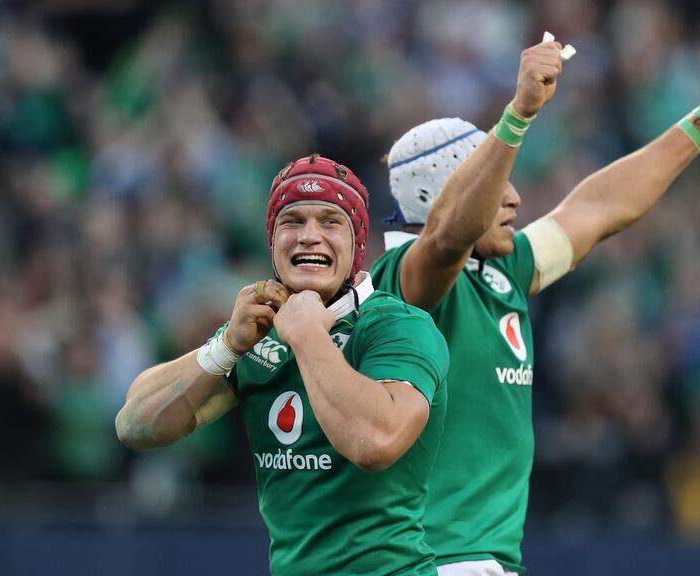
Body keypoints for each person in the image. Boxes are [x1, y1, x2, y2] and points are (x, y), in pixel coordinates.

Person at [372, 37, 700, 575]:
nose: (513, 198)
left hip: (479, 561)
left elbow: (601, 207)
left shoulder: (498, 273)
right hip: (430, 562)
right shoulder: (402, 286)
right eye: (494, 186)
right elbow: (446, 238)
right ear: (442, 201)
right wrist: (517, 116)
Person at [116, 154, 450, 576]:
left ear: (358, 243)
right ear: (272, 241)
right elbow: (135, 424)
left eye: (331, 221)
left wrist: (308, 335)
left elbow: (375, 441)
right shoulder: (256, 333)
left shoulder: (399, 326)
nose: (309, 236)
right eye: (292, 222)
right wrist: (224, 349)